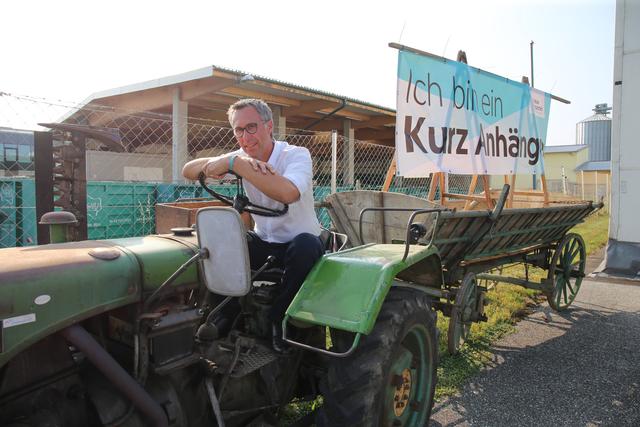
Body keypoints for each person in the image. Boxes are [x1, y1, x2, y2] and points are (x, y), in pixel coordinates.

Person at [182, 98, 324, 352]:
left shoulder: (296, 156)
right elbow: (188, 170)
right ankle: (225, 312)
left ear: (269, 127)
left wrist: (239, 165)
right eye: (238, 130)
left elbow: (288, 193)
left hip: (299, 244)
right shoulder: (239, 157)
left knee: (306, 245)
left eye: (251, 127)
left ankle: (280, 320)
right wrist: (227, 162)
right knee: (225, 242)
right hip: (264, 242)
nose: (245, 136)